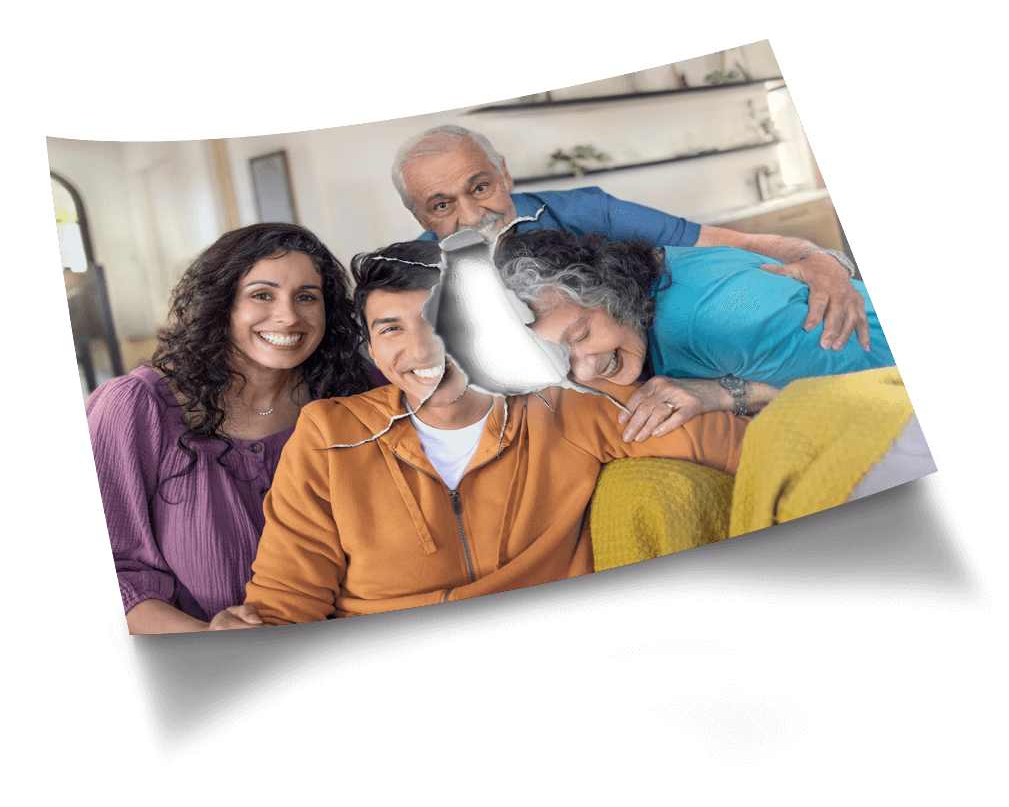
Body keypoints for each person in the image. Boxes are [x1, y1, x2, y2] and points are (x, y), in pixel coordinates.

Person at [242, 241, 750, 624]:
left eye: (437, 319)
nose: (421, 349)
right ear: (372, 351)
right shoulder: (329, 433)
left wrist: (735, 393)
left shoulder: (566, 403)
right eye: (390, 328)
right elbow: (287, 600)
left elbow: (745, 449)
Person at [88, 223, 376, 634]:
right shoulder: (134, 408)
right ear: (221, 304)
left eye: (307, 297)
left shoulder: (357, 389)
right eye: (262, 295)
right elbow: (120, 573)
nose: (288, 316)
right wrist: (210, 638)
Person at [391, 124, 869, 357]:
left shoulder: (585, 209)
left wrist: (820, 259)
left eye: (480, 187)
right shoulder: (416, 277)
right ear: (418, 215)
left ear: (505, 176)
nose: (472, 215)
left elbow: (726, 239)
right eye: (442, 205)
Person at [493, 227, 896, 445]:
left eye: (581, 334)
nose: (588, 367)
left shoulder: (719, 320)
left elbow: (874, 392)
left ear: (607, 288)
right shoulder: (656, 272)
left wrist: (726, 394)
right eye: (563, 361)